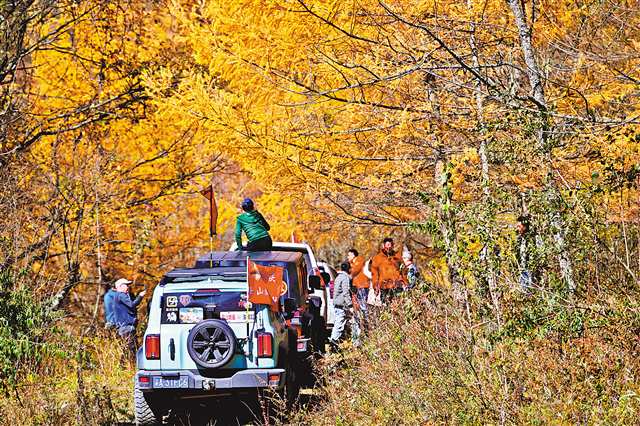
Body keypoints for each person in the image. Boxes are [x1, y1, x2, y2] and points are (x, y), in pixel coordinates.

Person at [113, 278, 146, 356]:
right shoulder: (121, 295)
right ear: (120, 287)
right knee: (130, 350)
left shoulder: (118, 296)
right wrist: (140, 296)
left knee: (127, 349)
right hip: (126, 327)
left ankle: (127, 366)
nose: (128, 287)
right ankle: (129, 366)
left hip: (124, 327)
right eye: (126, 285)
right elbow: (132, 304)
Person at [370, 237, 404, 304]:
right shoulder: (377, 258)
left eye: (391, 245)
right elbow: (374, 274)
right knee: (386, 306)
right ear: (383, 245)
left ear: (393, 245)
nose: (389, 247)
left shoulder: (397, 257)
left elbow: (403, 270)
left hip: (397, 285)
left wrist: (404, 282)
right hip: (384, 286)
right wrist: (375, 286)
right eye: (387, 245)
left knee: (398, 305)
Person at [329, 262, 352, 347]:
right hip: (341, 305)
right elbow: (346, 293)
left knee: (339, 323)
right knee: (339, 323)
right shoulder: (345, 278)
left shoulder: (338, 277)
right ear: (348, 269)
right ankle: (333, 342)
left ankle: (335, 341)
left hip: (336, 303)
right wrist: (350, 305)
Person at [348, 249, 369, 323]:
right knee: (357, 306)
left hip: (362, 285)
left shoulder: (359, 260)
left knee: (363, 305)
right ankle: (361, 323)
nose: (348, 257)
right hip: (356, 286)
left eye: (349, 255)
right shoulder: (352, 263)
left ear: (353, 255)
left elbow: (354, 271)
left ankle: (366, 322)